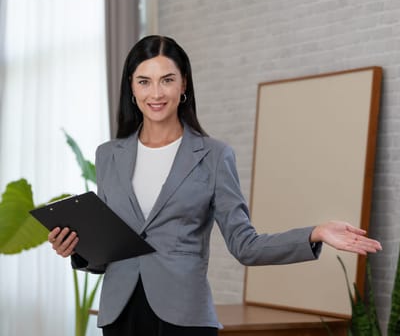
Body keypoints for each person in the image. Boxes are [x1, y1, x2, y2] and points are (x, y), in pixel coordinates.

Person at [48, 35, 382, 336]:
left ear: (184, 86)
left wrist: (314, 232)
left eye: (167, 80)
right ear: (132, 89)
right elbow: (111, 251)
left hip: (185, 316)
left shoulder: (213, 155)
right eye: (144, 82)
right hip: (120, 314)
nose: (156, 93)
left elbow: (245, 245)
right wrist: (76, 250)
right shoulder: (109, 155)